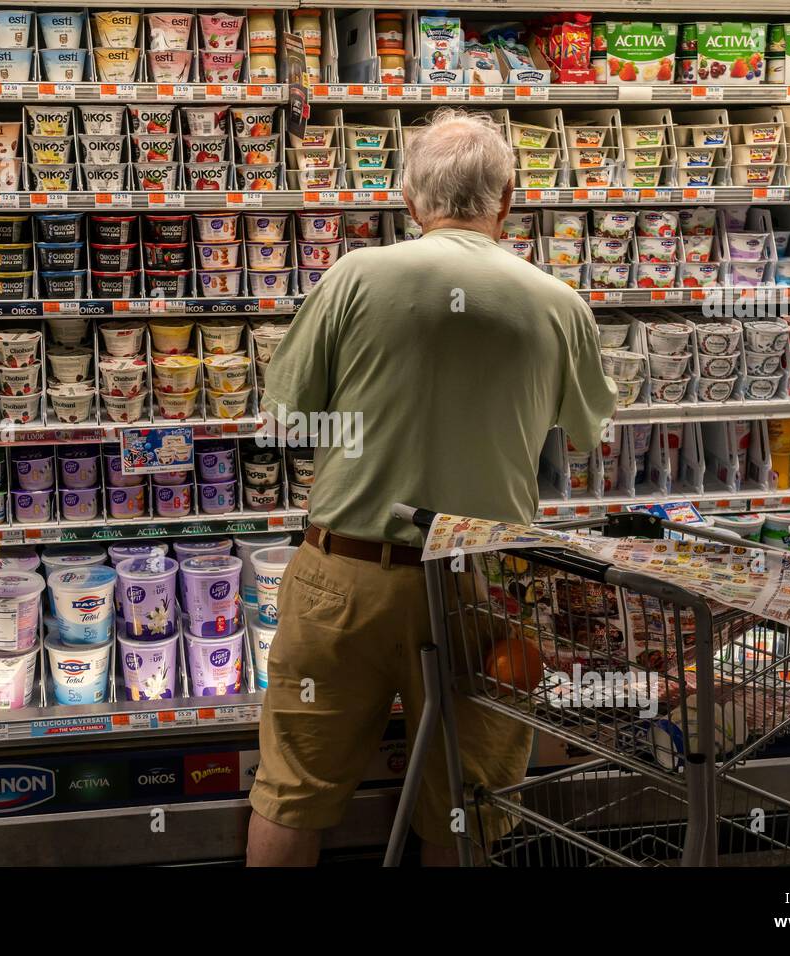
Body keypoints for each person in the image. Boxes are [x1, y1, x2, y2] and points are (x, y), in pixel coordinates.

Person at [246, 108, 617, 866]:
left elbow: (284, 415)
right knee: (466, 805)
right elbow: (585, 432)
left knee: (294, 789)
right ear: (508, 199)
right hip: (482, 586)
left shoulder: (355, 275)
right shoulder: (558, 302)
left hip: (346, 578)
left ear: (410, 200)